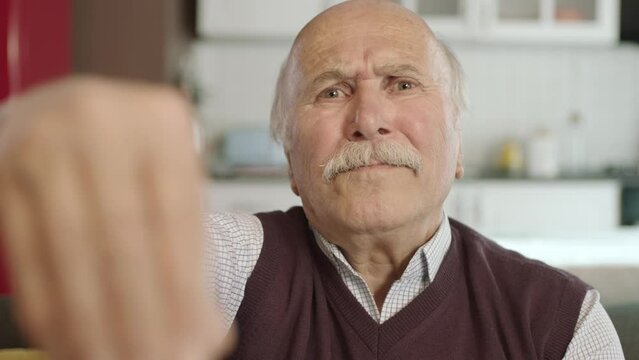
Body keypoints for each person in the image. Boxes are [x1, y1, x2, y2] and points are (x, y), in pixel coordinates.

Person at [0, 0, 624, 359]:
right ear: (291, 162)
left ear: (456, 145)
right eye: (331, 91)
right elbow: (133, 267)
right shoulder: (233, 265)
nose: (370, 119)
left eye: (402, 84)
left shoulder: (565, 323)